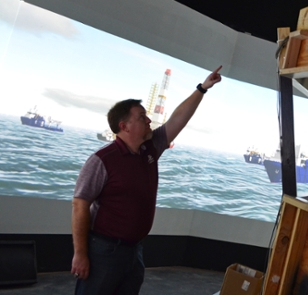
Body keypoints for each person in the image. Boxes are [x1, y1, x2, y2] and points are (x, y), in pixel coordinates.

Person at [71, 66, 222, 294]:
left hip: (134, 251)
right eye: (142, 117)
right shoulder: (102, 160)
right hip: (104, 251)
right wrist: (80, 254)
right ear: (124, 126)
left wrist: (202, 88)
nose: (149, 120)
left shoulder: (151, 149)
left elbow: (177, 120)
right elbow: (80, 204)